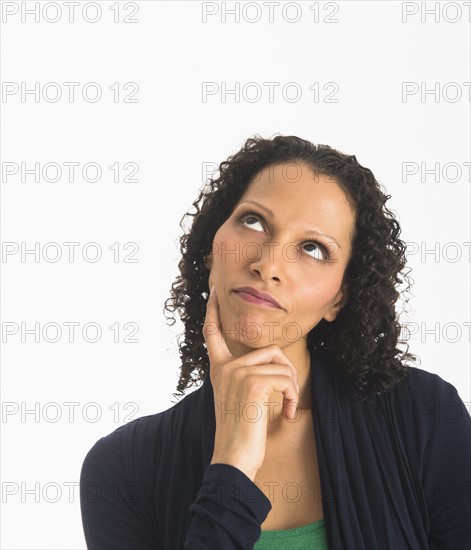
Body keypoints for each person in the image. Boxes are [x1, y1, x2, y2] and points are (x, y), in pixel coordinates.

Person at [79, 134, 471, 549]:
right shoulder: (123, 469)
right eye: (254, 222)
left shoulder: (424, 415)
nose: (268, 265)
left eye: (313, 248)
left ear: (339, 298)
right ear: (212, 246)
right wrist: (232, 466)